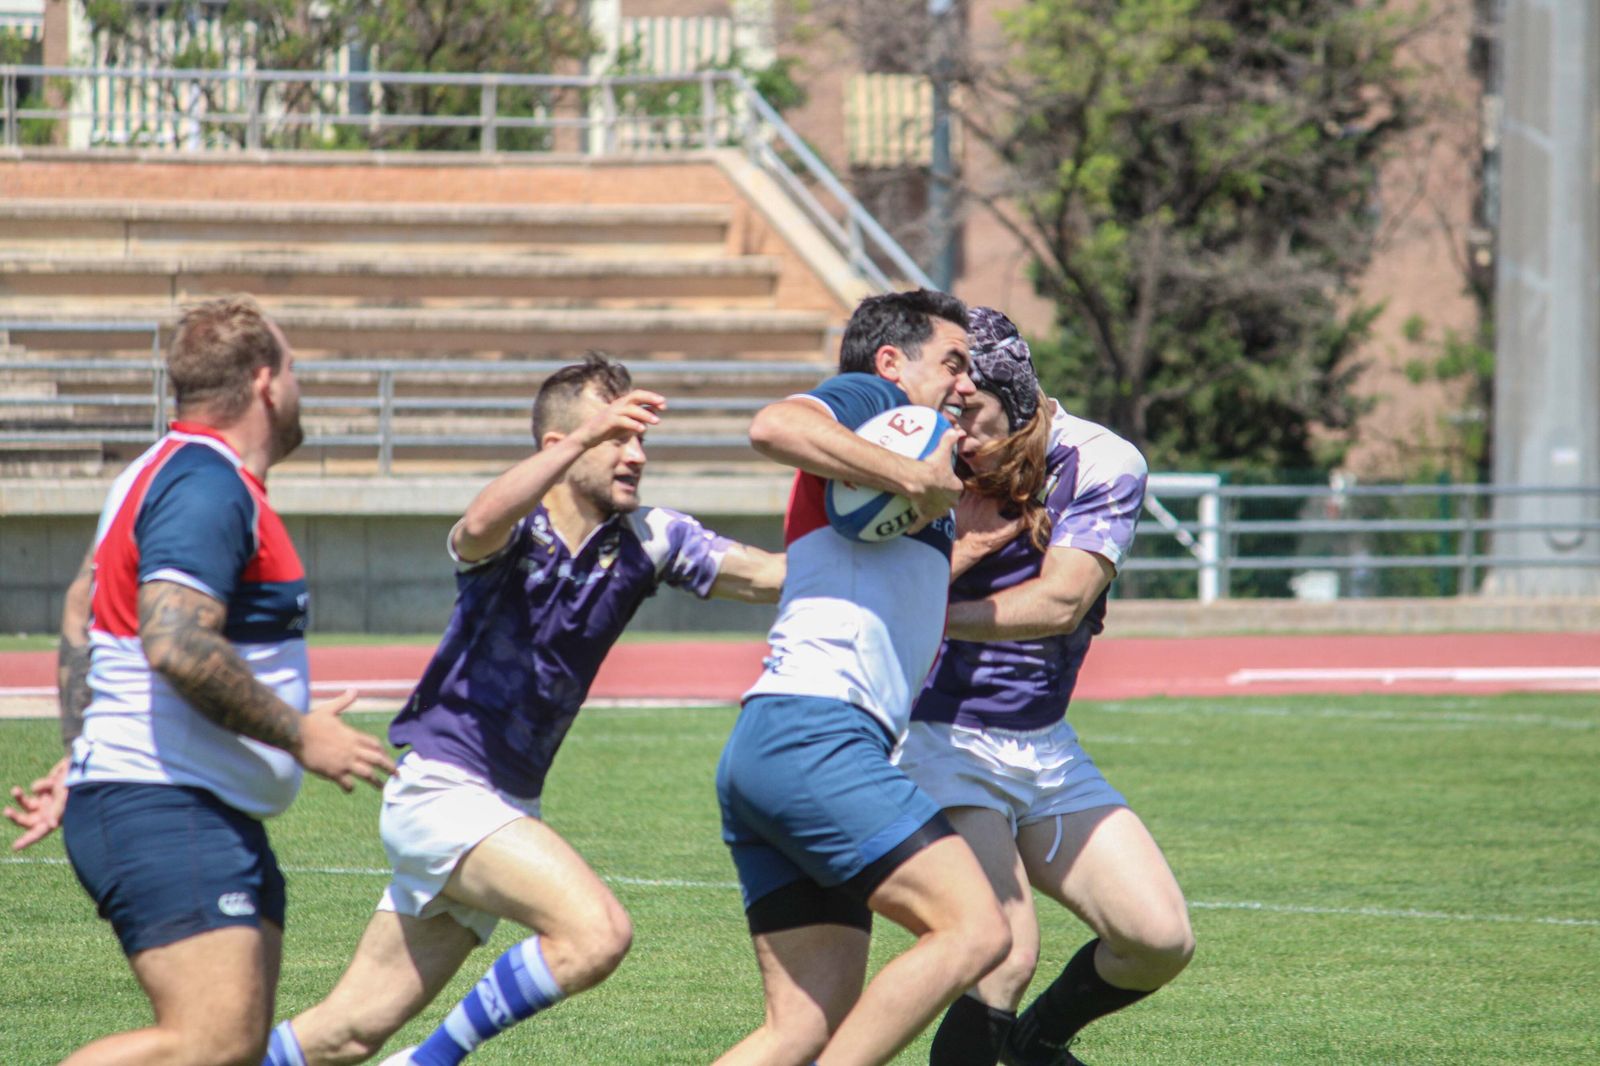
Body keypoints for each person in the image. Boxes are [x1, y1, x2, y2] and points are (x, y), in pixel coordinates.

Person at [261, 353, 786, 1066]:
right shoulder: (513, 529)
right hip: (443, 791)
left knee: (344, 1034)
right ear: (559, 447)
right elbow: (478, 521)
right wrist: (585, 437)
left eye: (640, 439)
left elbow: (771, 576)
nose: (636, 455)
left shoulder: (652, 537)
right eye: (617, 437)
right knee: (596, 933)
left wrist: (902, 531)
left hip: (504, 807)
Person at [2, 295, 395, 1066]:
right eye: (294, 368)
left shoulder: (161, 471)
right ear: (265, 382)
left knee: (233, 1051)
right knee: (209, 1043)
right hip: (166, 802)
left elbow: (85, 608)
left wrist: (85, 750)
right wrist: (300, 732)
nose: (300, 385)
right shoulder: (207, 484)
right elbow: (176, 642)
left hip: (184, 799)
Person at [714, 289, 1012, 1066]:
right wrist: (914, 479)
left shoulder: (910, 457)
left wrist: (965, 540)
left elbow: (880, 583)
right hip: (818, 735)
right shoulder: (877, 403)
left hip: (780, 742)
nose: (966, 384)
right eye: (952, 363)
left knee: (803, 1028)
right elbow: (774, 425)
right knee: (976, 930)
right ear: (891, 362)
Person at [895, 307, 1194, 1066]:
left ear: (1017, 394)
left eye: (970, 410)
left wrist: (930, 613)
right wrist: (953, 555)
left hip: (1044, 742)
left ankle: (1034, 1046)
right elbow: (880, 583)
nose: (956, 431)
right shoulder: (925, 455)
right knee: (1002, 951)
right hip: (936, 734)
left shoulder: (1101, 460)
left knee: (1157, 940)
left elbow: (1061, 603)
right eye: (944, 408)